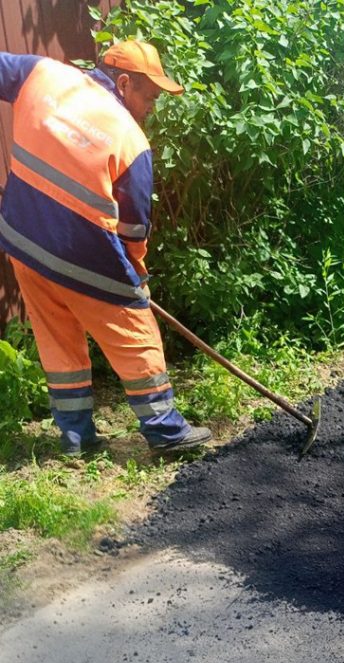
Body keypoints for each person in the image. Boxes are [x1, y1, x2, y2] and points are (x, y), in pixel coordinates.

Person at [0, 40, 212, 455]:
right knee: (135, 334)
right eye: (149, 98)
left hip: (24, 244)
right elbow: (133, 229)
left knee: (58, 339)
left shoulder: (42, 75)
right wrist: (136, 280)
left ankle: (76, 439)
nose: (150, 108)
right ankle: (165, 431)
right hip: (87, 256)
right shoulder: (130, 140)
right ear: (125, 82)